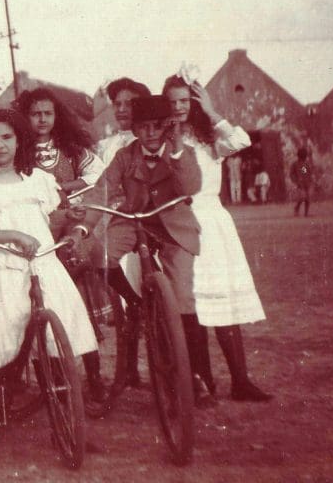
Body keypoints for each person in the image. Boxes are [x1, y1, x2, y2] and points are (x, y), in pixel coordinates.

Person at [0, 109, 98, 460]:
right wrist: (11, 235)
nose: (0, 145)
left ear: (19, 141)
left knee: (54, 348)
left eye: (7, 137)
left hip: (41, 266)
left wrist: (70, 218)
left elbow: (51, 216)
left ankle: (68, 423)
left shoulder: (37, 181)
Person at [70, 95, 206, 406]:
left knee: (182, 297)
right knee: (99, 255)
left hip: (173, 224)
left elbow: (190, 186)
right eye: (142, 128)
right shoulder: (124, 156)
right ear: (135, 130)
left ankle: (190, 375)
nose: (150, 134)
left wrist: (177, 147)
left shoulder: (180, 152)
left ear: (167, 128)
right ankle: (137, 302)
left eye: (157, 127)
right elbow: (102, 190)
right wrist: (83, 227)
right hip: (134, 221)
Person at [163, 76, 272, 404]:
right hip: (182, 222)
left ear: (194, 103)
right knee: (192, 306)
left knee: (225, 301)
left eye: (185, 101)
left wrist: (211, 111)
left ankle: (241, 381)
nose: (179, 107)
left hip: (215, 223)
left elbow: (241, 141)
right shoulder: (164, 140)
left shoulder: (209, 137)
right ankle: (203, 383)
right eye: (173, 102)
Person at [14, 86, 108, 408]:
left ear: (56, 116)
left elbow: (97, 174)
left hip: (68, 229)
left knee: (78, 302)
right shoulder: (18, 150)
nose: (42, 119)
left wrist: (65, 188)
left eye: (48, 113)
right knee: (39, 304)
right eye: (35, 114)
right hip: (38, 229)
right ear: (25, 117)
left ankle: (94, 378)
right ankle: (51, 382)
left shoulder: (70, 148)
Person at [92, 77, 150, 388]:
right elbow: (98, 184)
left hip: (145, 224)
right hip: (114, 222)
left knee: (152, 295)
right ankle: (127, 370)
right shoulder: (107, 145)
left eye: (130, 103)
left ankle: (162, 368)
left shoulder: (151, 139)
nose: (123, 109)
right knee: (125, 304)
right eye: (118, 104)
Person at [290, 147, 314, 217]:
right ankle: (297, 208)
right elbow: (292, 174)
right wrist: (296, 181)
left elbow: (306, 172)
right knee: (302, 197)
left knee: (307, 198)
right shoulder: (295, 164)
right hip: (299, 183)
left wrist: (310, 179)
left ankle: (306, 213)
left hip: (306, 183)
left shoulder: (305, 164)